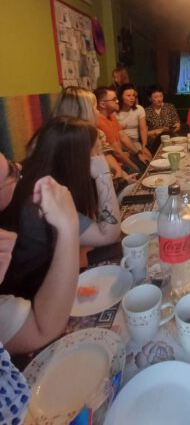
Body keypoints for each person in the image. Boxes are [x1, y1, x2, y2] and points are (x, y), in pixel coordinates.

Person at [0, 117, 120, 300]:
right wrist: (103, 175)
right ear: (78, 158)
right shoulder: (42, 196)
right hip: (32, 293)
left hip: (42, 275)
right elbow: (109, 234)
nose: (100, 156)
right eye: (97, 150)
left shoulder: (36, 171)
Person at [0, 153, 79, 354]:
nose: (19, 166)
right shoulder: (32, 206)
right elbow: (42, 330)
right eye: (11, 171)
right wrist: (68, 227)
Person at [53, 85, 135, 186]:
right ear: (83, 112)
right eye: (95, 108)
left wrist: (119, 176)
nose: (98, 112)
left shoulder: (96, 133)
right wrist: (122, 182)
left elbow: (107, 156)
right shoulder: (79, 141)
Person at [95, 87, 149, 173]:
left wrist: (138, 153)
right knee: (143, 170)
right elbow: (117, 153)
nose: (117, 101)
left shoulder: (111, 115)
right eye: (114, 99)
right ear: (102, 104)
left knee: (147, 161)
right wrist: (136, 168)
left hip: (122, 155)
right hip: (115, 164)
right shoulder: (100, 121)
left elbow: (123, 137)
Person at [116, 84, 152, 161]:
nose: (132, 98)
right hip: (120, 143)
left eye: (133, 95)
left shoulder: (139, 109)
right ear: (121, 97)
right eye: (128, 95)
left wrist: (144, 146)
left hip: (135, 142)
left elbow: (143, 129)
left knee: (148, 158)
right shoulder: (114, 111)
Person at [145, 85, 181, 152]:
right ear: (150, 98)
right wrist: (158, 131)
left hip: (171, 136)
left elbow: (178, 126)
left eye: (161, 96)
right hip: (154, 141)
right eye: (155, 97)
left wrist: (168, 130)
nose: (159, 99)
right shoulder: (146, 111)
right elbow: (145, 133)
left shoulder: (170, 107)